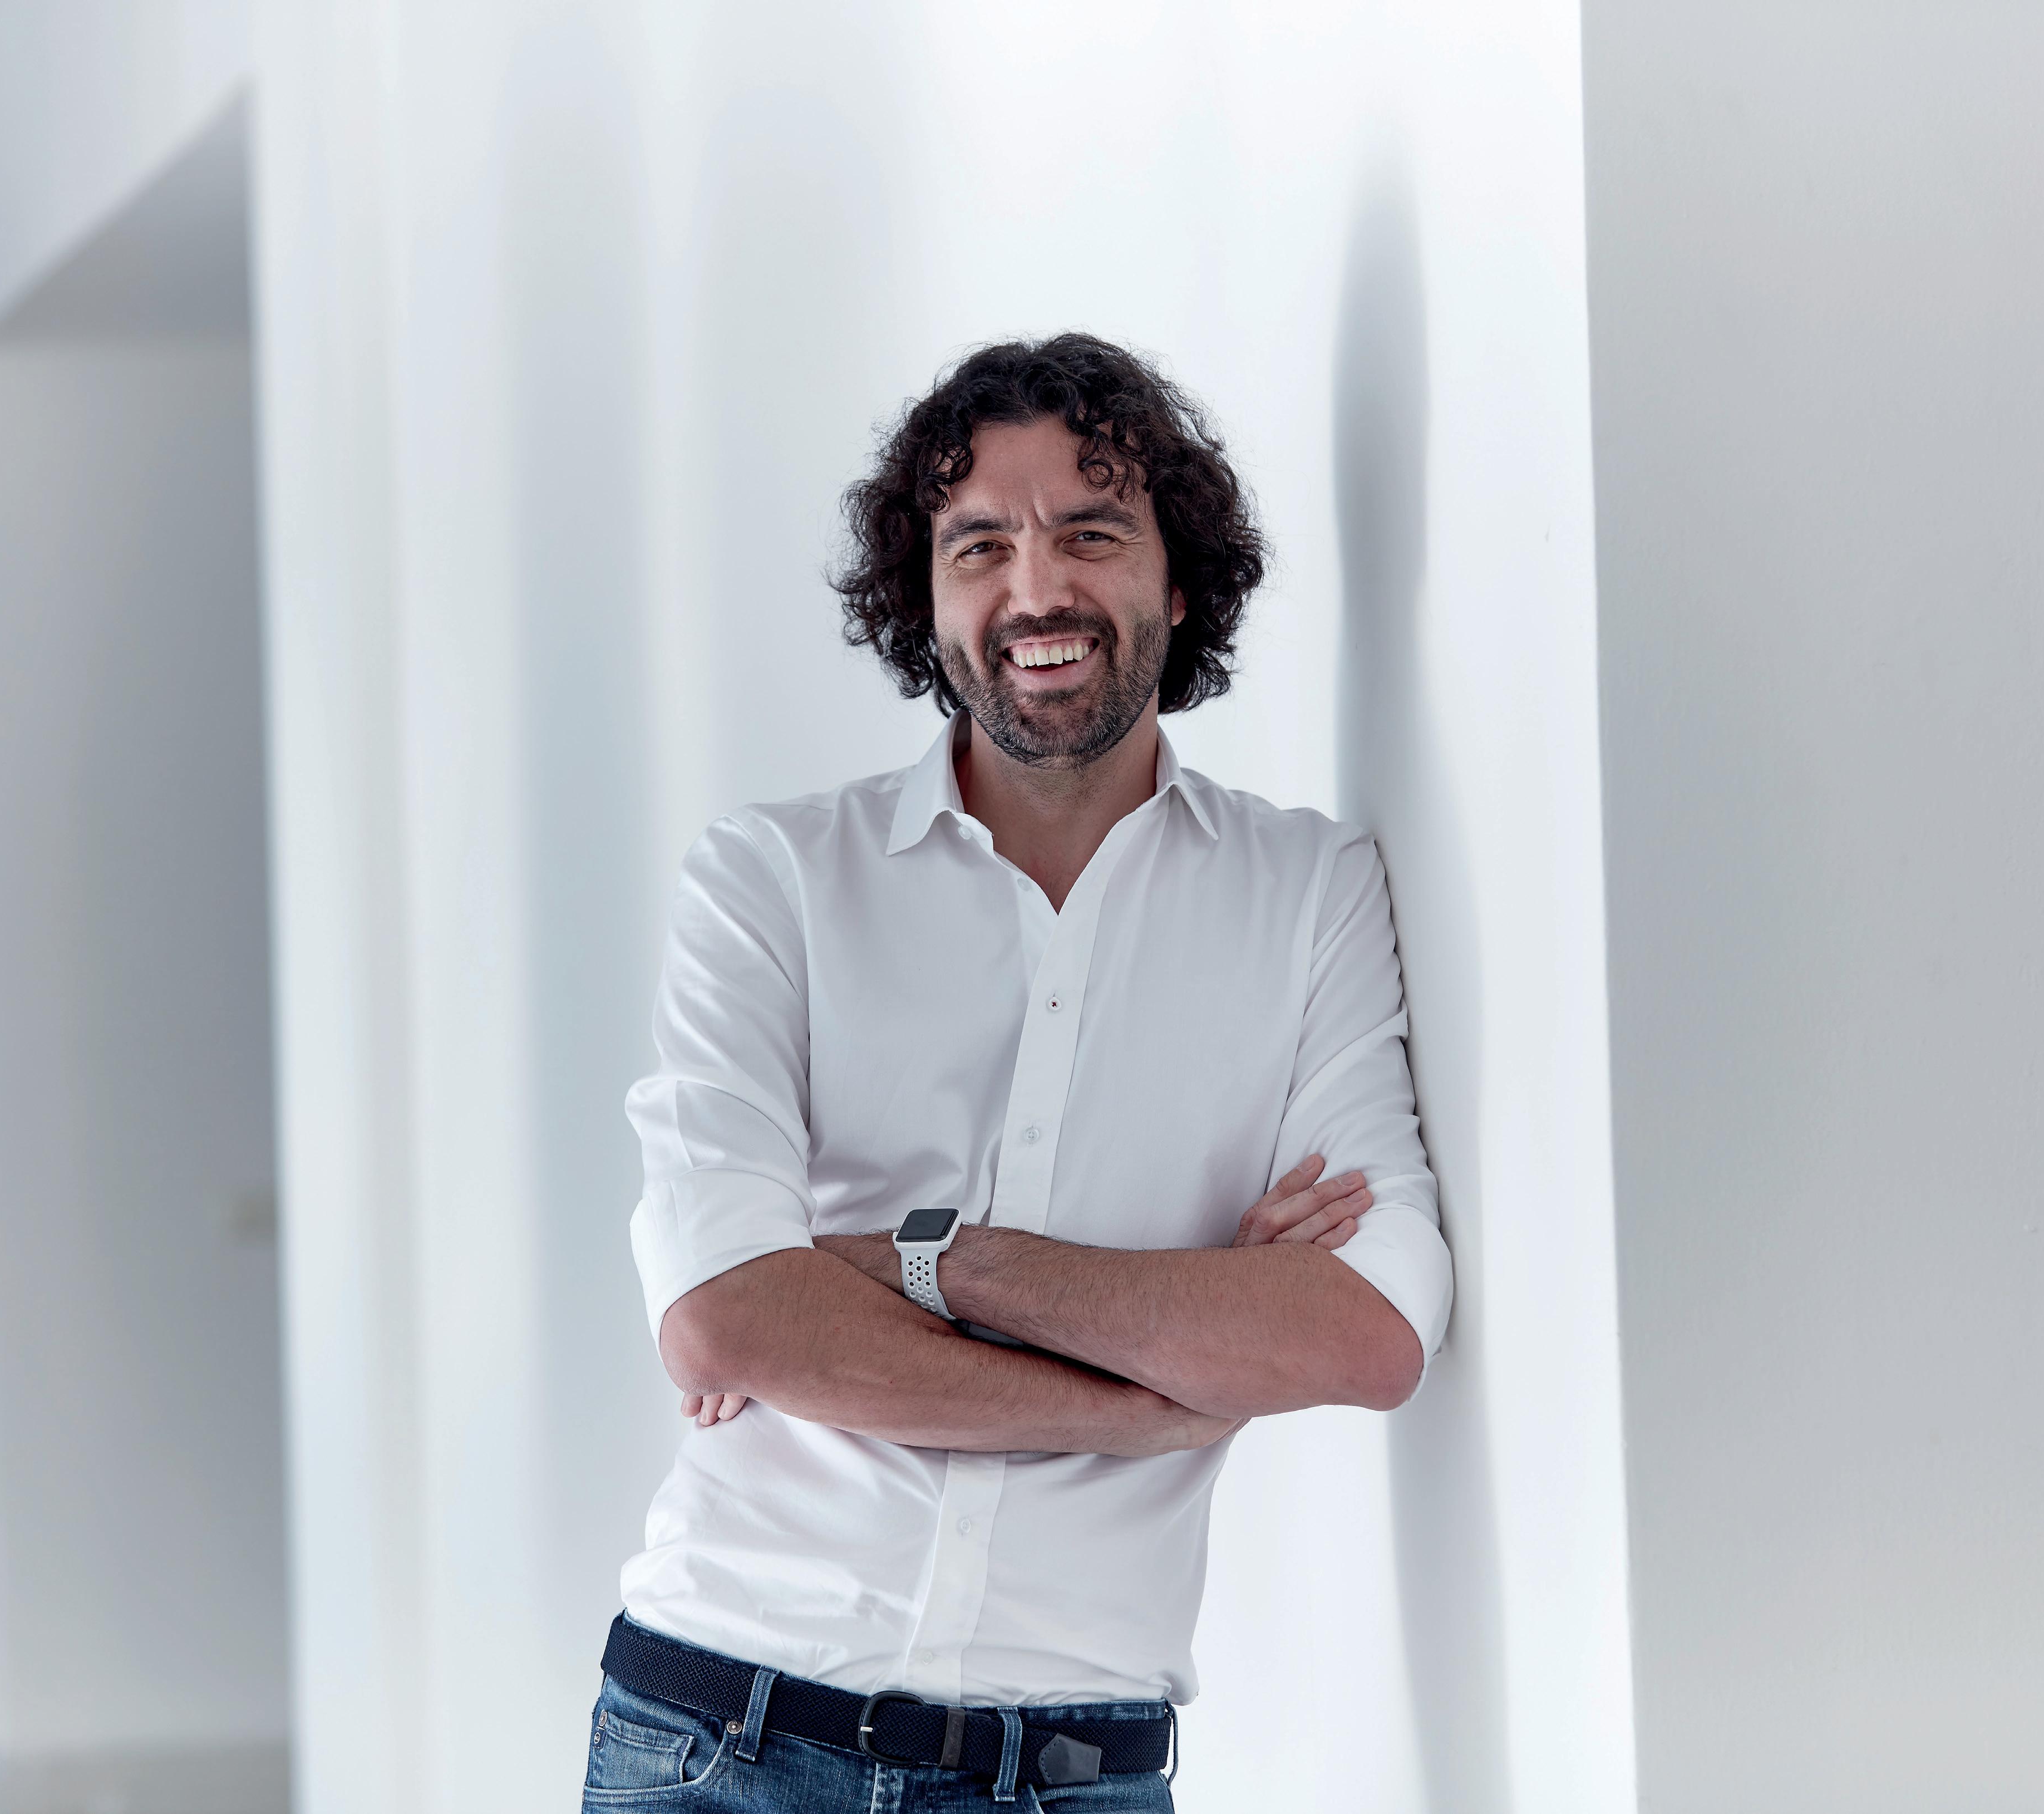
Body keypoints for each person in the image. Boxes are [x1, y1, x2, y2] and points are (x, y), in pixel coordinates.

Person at [587, 333, 1451, 1810]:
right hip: (721, 1739)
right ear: (924, 599)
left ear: (1181, 583)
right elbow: (725, 1315)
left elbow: (1368, 1327)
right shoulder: (772, 880)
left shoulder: (1308, 895)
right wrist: (1157, 1391)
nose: (1035, 591)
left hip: (1071, 1774)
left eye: (1091, 534)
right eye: (979, 545)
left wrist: (920, 1262)